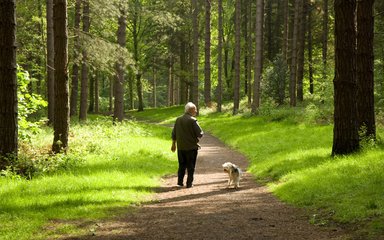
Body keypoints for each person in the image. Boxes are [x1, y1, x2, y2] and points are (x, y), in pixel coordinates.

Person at [171, 102, 204, 188]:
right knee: (191, 166)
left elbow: (174, 133)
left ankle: (179, 182)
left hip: (181, 147)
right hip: (191, 148)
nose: (196, 111)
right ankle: (189, 183)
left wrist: (173, 144)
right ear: (191, 110)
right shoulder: (193, 120)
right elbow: (200, 133)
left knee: (181, 165)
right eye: (195, 109)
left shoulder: (178, 119)